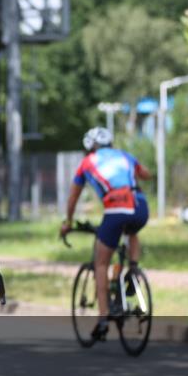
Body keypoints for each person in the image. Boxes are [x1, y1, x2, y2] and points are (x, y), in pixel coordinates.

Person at [60, 127, 152, 340]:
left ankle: (103, 318)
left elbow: (73, 197)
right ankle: (134, 272)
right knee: (131, 230)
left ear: (90, 147)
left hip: (116, 209)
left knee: (101, 263)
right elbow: (146, 173)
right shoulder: (124, 155)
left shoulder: (87, 162)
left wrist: (68, 222)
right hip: (140, 207)